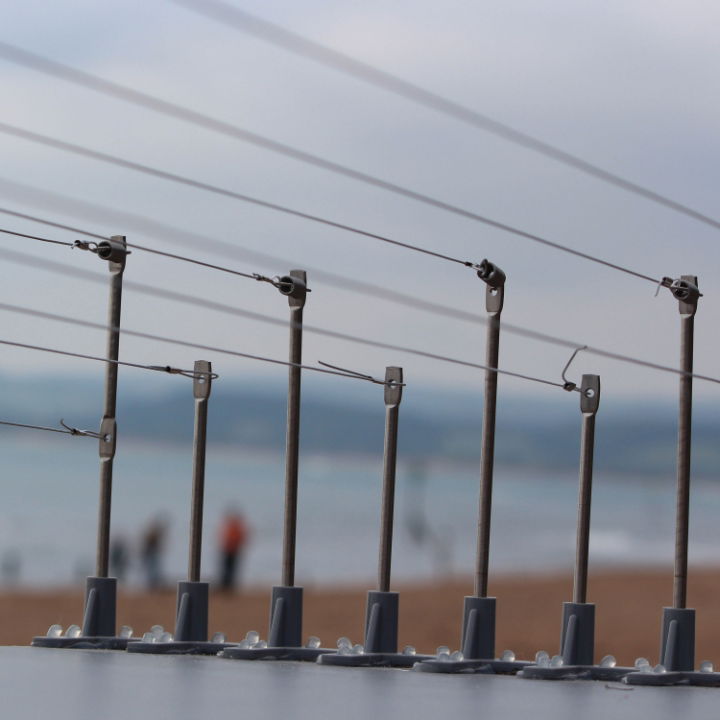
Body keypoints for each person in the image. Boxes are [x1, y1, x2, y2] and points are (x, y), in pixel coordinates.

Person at [218, 510, 249, 591]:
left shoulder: (236, 528)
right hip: (228, 550)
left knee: (230, 569)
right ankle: (225, 584)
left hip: (233, 551)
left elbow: (240, 539)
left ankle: (228, 585)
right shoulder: (233, 527)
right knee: (227, 568)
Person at [140, 516, 167, 590]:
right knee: (150, 572)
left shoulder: (153, 534)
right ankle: (151, 586)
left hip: (151, 556)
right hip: (149, 556)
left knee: (153, 571)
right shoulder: (151, 534)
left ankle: (153, 585)